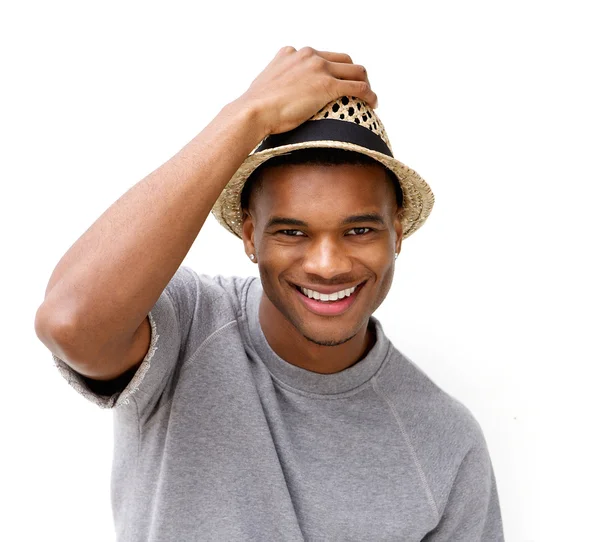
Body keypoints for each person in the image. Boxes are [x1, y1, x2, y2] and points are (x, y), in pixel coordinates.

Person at [34, 46, 504, 541]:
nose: (327, 265)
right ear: (249, 237)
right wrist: (247, 115)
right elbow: (69, 322)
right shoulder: (187, 325)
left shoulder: (446, 442)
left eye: (359, 230)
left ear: (398, 234)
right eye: (292, 233)